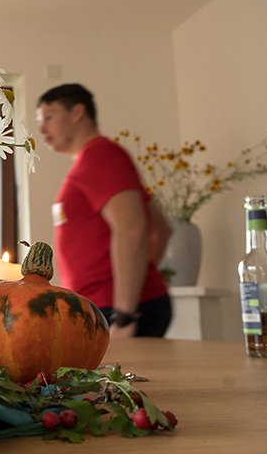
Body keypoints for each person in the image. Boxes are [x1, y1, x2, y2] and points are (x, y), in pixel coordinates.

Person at [37, 84, 173, 338]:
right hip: (105, 307)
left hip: (117, 311)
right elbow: (162, 229)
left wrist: (125, 313)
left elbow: (132, 228)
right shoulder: (95, 159)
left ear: (78, 112)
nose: (42, 129)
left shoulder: (101, 156)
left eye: (49, 117)